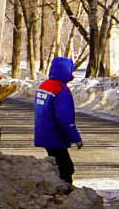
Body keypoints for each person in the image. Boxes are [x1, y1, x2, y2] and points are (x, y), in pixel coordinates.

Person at [33, 56, 83, 184]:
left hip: (43, 134)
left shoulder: (44, 86)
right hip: (55, 136)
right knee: (66, 168)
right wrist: (75, 137)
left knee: (56, 165)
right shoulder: (60, 89)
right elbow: (65, 118)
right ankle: (64, 193)